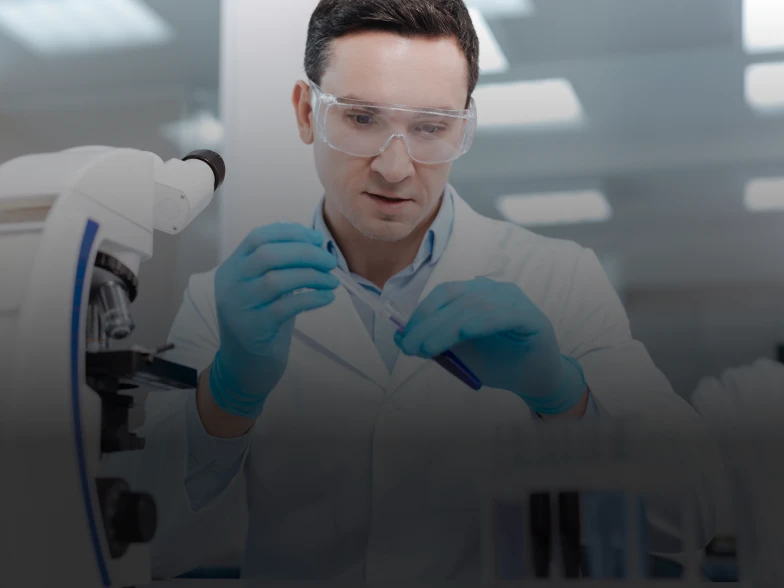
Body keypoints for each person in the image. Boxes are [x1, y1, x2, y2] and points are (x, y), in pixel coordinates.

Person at [127, 0, 722, 582]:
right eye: (361, 118)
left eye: (431, 128)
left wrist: (564, 396)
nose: (394, 166)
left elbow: (697, 514)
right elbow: (142, 548)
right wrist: (226, 398)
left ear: (464, 127)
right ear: (307, 112)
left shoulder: (558, 279)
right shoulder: (224, 303)